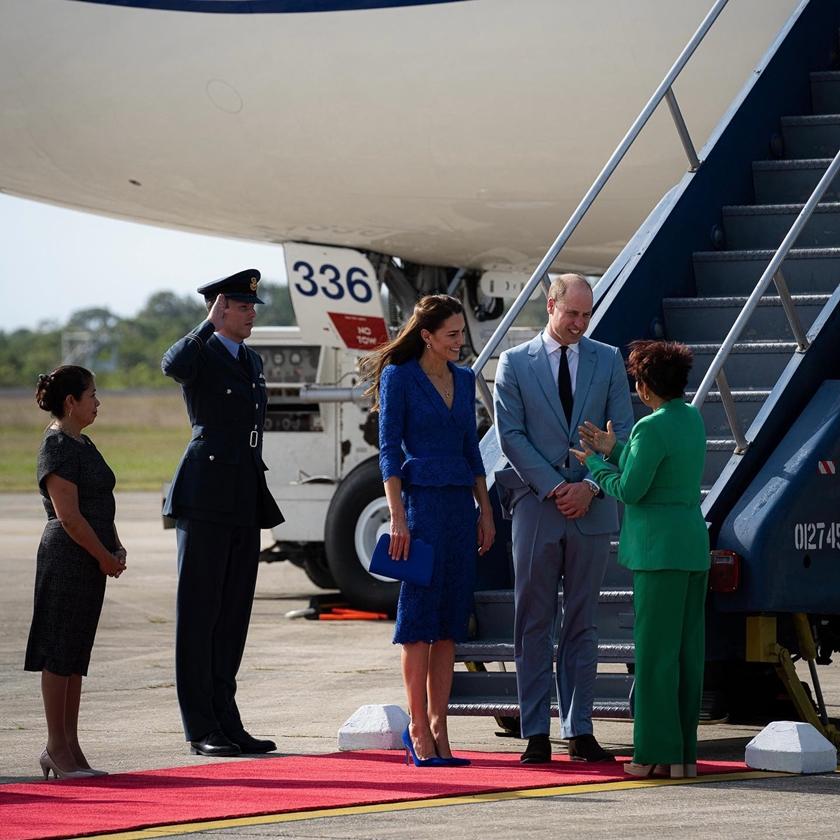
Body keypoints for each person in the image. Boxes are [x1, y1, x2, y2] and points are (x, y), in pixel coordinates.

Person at [493, 274, 634, 764]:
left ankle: (579, 728)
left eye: (586, 315)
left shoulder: (608, 359)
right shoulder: (513, 362)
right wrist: (556, 487)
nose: (579, 323)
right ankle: (535, 730)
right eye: (571, 313)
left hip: (592, 505)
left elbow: (624, 433)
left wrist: (591, 486)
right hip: (537, 506)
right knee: (533, 620)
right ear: (550, 306)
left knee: (582, 621)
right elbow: (510, 435)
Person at [361, 294, 495, 767]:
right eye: (453, 334)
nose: (462, 342)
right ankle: (417, 726)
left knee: (449, 625)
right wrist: (396, 516)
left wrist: (485, 509)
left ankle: (441, 724)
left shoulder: (464, 378)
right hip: (418, 511)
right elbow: (388, 452)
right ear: (427, 336)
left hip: (459, 509)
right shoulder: (399, 377)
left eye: (462, 333)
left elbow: (472, 450)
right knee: (418, 624)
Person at [572, 339, 709, 779]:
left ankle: (653, 753)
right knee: (687, 654)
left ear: (646, 386)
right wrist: (616, 449)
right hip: (690, 546)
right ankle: (683, 754)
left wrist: (596, 464)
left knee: (654, 657)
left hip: (657, 552)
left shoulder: (649, 428)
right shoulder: (690, 419)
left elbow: (631, 489)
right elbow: (658, 468)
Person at [162, 268, 284, 758]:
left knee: (232, 615)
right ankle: (201, 726)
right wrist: (204, 326)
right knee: (199, 614)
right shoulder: (202, 351)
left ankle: (227, 720)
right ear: (220, 308)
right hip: (205, 495)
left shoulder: (250, 359)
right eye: (243, 305)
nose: (252, 312)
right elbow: (172, 365)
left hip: (242, 494)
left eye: (252, 305)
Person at [26, 366, 127, 780]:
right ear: (72, 402)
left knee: (75, 654)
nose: (98, 401)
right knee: (58, 652)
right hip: (67, 558)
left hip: (91, 557)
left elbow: (99, 501)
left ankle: (71, 745)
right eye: (92, 394)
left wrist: (114, 546)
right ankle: (56, 747)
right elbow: (68, 517)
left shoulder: (83, 443)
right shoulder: (56, 447)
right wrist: (104, 554)